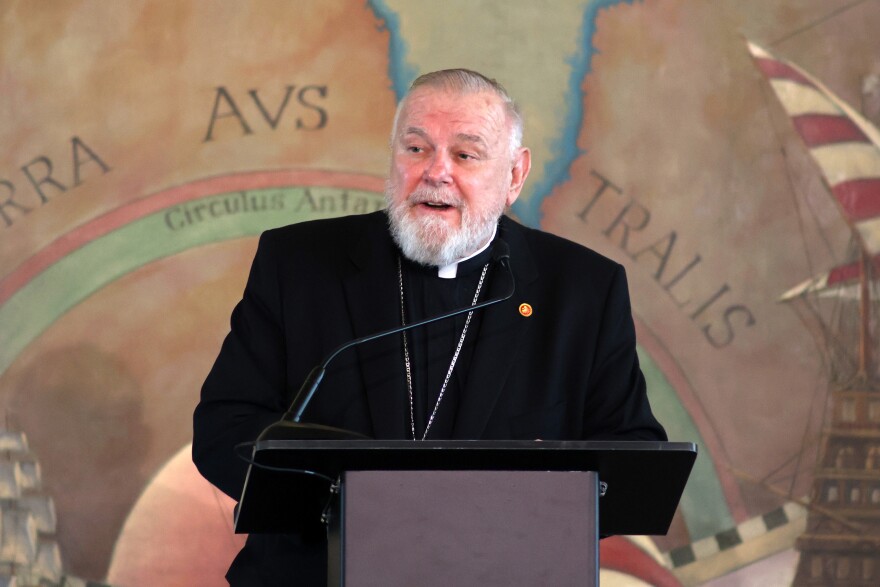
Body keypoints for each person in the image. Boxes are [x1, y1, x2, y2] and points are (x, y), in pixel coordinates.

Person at [193, 68, 666, 585]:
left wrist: (531, 495)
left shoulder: (582, 290)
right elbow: (224, 428)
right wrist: (346, 503)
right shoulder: (299, 265)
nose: (436, 172)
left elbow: (632, 460)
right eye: (416, 149)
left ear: (514, 175)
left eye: (465, 155)